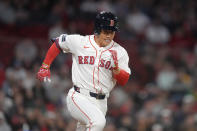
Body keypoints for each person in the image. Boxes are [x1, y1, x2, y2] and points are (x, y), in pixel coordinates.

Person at [36, 11, 131, 131]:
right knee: (97, 122)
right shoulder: (81, 42)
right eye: (106, 31)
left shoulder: (119, 51)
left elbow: (123, 81)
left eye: (112, 32)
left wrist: (116, 69)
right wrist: (45, 66)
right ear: (97, 30)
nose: (109, 35)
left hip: (102, 102)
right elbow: (58, 43)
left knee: (87, 127)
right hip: (79, 96)